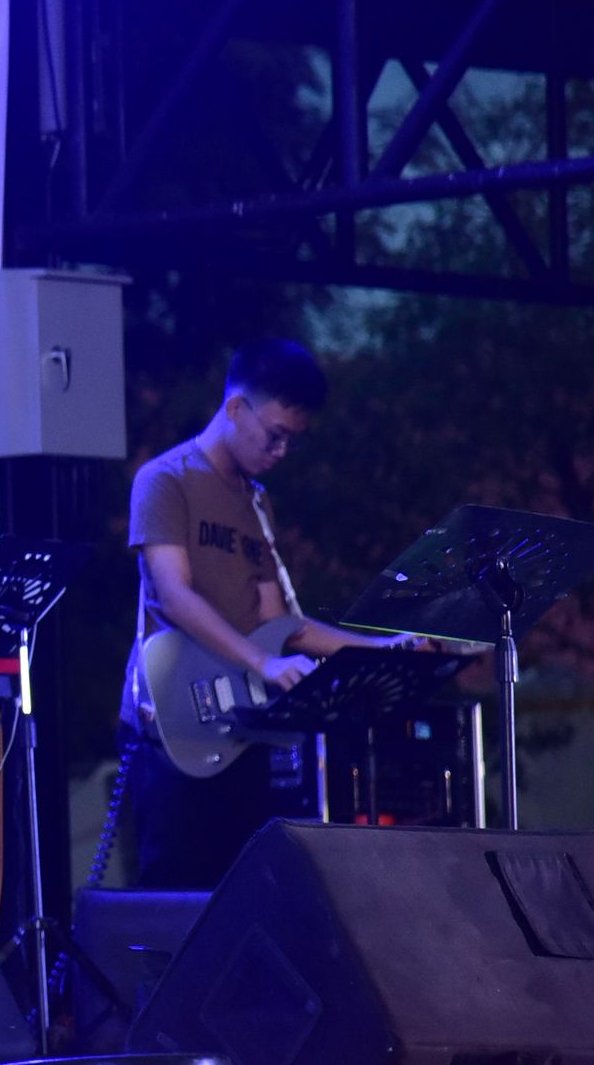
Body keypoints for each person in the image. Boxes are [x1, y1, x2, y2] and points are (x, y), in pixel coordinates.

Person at [116, 337, 386, 889]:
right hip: (173, 721)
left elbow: (281, 624)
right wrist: (263, 664)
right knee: (176, 902)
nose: (281, 451)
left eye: (292, 441)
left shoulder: (257, 503)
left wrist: (384, 650)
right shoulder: (165, 479)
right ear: (237, 408)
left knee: (246, 898)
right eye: (275, 435)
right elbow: (174, 596)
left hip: (241, 729)